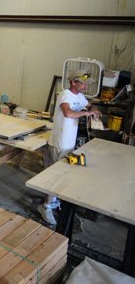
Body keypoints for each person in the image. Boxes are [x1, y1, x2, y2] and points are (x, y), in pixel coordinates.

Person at [38, 70, 100, 225]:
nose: (85, 86)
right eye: (83, 83)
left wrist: (94, 110)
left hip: (69, 142)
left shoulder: (79, 96)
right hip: (59, 142)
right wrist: (87, 114)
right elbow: (67, 113)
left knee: (62, 174)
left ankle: (53, 201)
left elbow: (88, 104)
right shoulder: (65, 94)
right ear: (73, 82)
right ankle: (45, 206)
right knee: (55, 175)